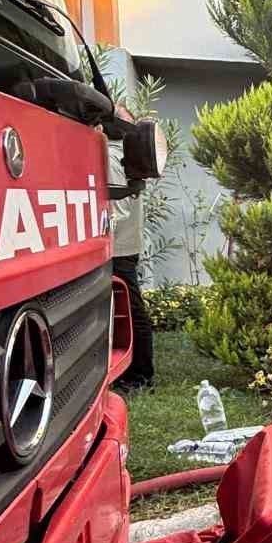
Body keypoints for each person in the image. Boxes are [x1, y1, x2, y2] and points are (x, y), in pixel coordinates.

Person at [109, 105, 155, 392]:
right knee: (128, 309)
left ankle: (140, 376)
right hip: (126, 245)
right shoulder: (125, 155)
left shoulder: (111, 156)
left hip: (116, 249)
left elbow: (116, 212)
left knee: (132, 310)